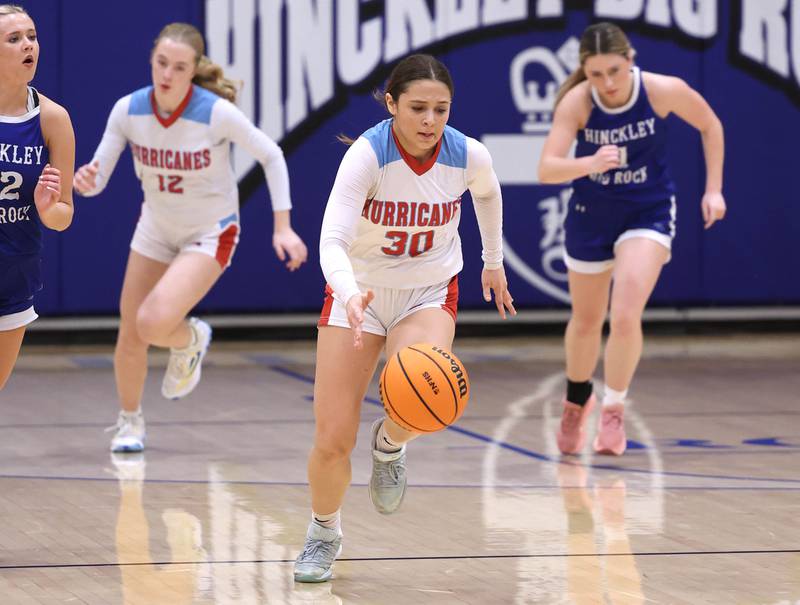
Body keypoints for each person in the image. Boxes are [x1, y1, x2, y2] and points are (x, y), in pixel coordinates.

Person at [293, 53, 516, 583]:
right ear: (391, 104)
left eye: (441, 109)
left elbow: (488, 193)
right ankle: (324, 532)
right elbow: (331, 240)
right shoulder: (369, 156)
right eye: (417, 107)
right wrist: (347, 293)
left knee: (425, 388)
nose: (430, 120)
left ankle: (391, 442)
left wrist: (492, 262)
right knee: (332, 440)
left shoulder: (468, 155)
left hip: (427, 291)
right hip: (360, 295)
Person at [74, 23, 307, 453]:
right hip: (156, 228)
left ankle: (191, 339)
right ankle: (130, 422)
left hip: (211, 230)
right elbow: (97, 177)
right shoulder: (128, 110)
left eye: (178, 67)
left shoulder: (214, 112)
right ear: (151, 60)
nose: (167, 74)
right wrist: (86, 180)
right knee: (131, 330)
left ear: (193, 70)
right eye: (161, 63)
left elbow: (271, 155)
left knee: (151, 322)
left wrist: (283, 225)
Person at [538, 22, 726, 456]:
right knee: (586, 322)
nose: (607, 82)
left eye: (615, 71)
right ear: (584, 70)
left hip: (648, 211)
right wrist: (588, 162)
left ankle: (614, 411)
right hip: (590, 217)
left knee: (624, 315)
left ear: (631, 61)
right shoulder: (577, 102)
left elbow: (711, 125)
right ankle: (576, 401)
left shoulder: (662, 90)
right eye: (596, 73)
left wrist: (713, 188)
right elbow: (547, 169)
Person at [0, 4, 75, 391]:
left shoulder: (52, 118)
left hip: (14, 273)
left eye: (31, 36)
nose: (28, 44)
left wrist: (49, 210)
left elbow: (64, 214)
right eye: (14, 39)